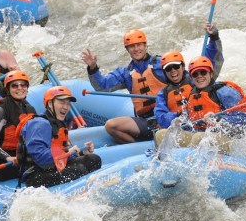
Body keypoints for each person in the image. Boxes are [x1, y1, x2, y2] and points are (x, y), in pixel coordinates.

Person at [81, 24, 222, 144]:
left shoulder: (164, 64)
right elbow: (102, 86)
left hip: (170, 116)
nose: (136, 49)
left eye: (139, 45)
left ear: (145, 45)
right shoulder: (125, 73)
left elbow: (199, 73)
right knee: (111, 126)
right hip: (146, 121)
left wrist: (213, 39)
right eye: (132, 46)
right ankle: (138, 147)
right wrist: (93, 67)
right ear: (127, 49)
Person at [162, 56, 246, 154]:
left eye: (203, 72)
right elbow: (190, 123)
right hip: (203, 136)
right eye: (195, 74)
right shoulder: (192, 95)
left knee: (199, 138)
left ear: (211, 73)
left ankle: (189, 162)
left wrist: (217, 120)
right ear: (191, 77)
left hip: (231, 139)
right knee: (163, 135)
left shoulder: (225, 92)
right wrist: (180, 124)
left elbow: (245, 119)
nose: (199, 76)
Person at [16, 86, 102, 188]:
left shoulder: (58, 123)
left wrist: (81, 153)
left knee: (94, 159)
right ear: (50, 104)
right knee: (79, 169)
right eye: (61, 102)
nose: (65, 107)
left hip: (52, 166)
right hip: (35, 174)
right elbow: (41, 158)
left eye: (67, 103)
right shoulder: (40, 124)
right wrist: (68, 153)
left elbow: (60, 152)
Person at [153, 24, 223, 145]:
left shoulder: (196, 79)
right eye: (169, 69)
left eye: (176, 66)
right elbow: (161, 118)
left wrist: (214, 38)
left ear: (182, 66)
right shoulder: (163, 93)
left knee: (198, 138)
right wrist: (180, 115)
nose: (173, 70)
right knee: (160, 134)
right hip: (186, 130)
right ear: (165, 72)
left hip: (208, 129)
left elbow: (210, 61)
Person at [0, 70, 36, 181]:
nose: (19, 88)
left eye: (23, 85)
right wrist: (7, 157)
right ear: (8, 89)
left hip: (23, 155)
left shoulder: (30, 109)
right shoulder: (1, 110)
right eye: (14, 85)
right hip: (3, 160)